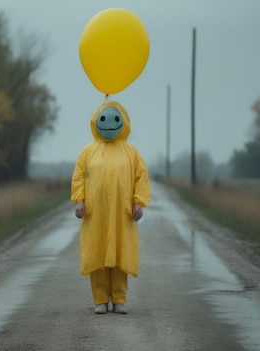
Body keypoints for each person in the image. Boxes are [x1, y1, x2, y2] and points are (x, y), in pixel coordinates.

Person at [71, 100, 151, 314]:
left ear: (123, 122)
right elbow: (78, 176)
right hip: (94, 213)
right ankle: (100, 299)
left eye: (114, 119)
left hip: (121, 213)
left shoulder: (132, 152)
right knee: (97, 254)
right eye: (103, 119)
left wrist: (139, 202)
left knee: (120, 254)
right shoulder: (88, 152)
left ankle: (119, 299)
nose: (107, 124)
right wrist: (79, 199)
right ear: (95, 122)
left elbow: (141, 177)